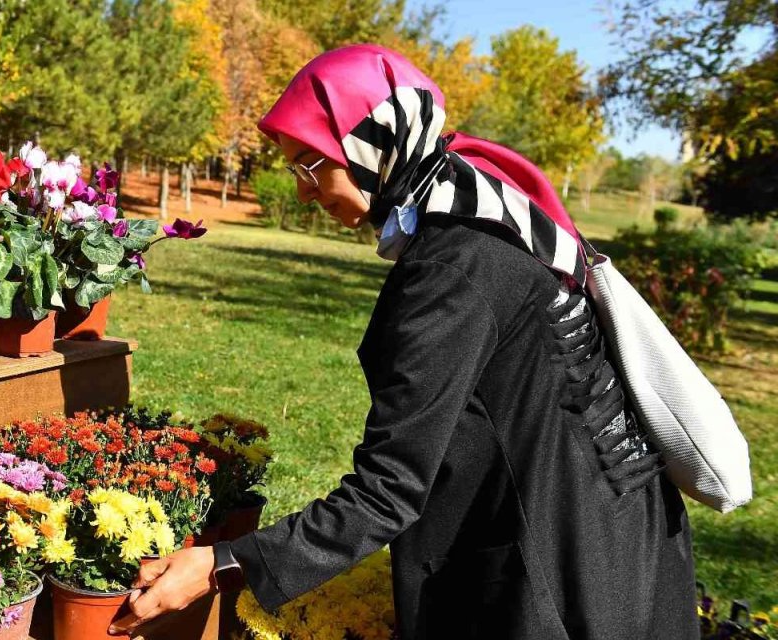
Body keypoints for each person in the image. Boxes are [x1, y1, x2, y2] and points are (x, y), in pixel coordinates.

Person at [108, 44, 696, 640]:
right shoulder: (489, 217)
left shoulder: (452, 272)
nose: (303, 191)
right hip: (626, 536)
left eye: (310, 163)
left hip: (562, 573)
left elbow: (391, 488)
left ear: (372, 145)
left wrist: (222, 564)